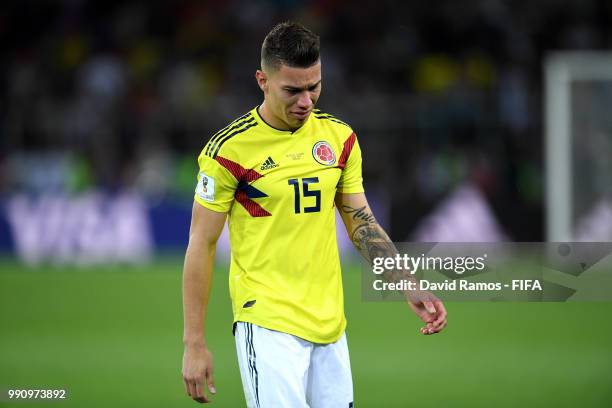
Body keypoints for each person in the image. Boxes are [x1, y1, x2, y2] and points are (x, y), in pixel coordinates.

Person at [181, 21, 447, 407]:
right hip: (267, 322)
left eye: (314, 86)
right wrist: (195, 342)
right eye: (293, 90)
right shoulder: (228, 151)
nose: (306, 100)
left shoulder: (339, 139)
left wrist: (404, 281)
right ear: (263, 80)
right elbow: (201, 243)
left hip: (330, 326)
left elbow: (361, 223)